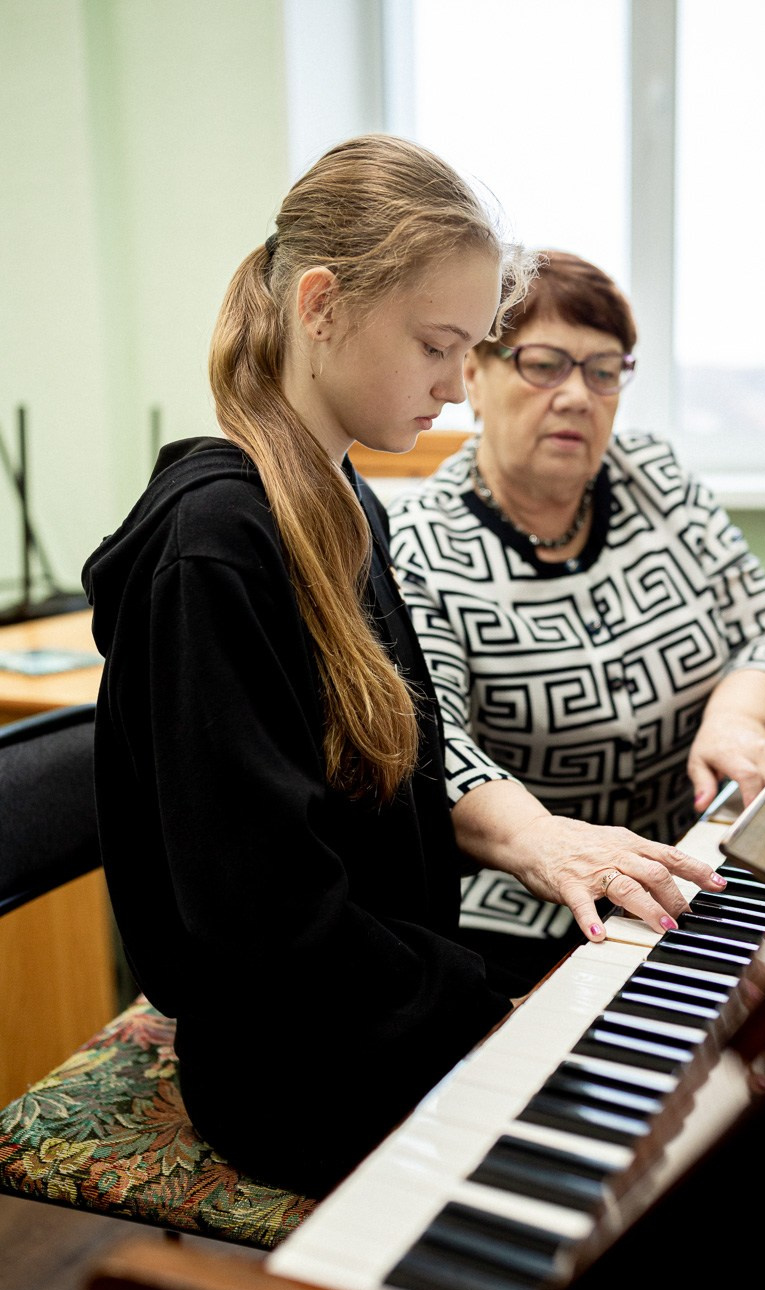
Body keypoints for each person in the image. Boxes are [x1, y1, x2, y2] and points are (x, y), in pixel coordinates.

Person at [82, 145, 731, 1198]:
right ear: (323, 305)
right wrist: (488, 1010)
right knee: (644, 1186)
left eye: (469, 348)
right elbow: (264, 920)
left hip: (386, 997)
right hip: (296, 1060)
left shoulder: (346, 501)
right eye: (437, 345)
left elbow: (402, 797)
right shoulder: (216, 547)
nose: (456, 385)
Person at [388, 250, 765, 994]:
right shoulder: (418, 542)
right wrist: (544, 841)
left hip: (698, 864)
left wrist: (735, 721)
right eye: (545, 364)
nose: (578, 397)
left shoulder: (655, 477)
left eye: (603, 370)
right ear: (474, 379)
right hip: (529, 906)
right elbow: (430, 746)